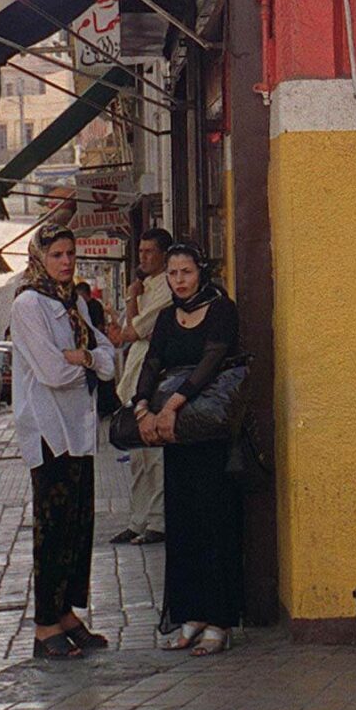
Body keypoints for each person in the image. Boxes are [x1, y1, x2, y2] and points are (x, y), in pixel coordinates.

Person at [11, 226, 119, 659]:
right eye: (56, 254)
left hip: (79, 427)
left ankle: (66, 613)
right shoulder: (28, 304)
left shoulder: (72, 301)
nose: (66, 261)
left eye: (70, 253)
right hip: (47, 429)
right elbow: (51, 373)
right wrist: (85, 364)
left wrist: (87, 359)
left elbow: (109, 358)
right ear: (40, 257)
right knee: (52, 528)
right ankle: (44, 625)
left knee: (78, 525)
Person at [137, 244, 246, 655]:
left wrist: (172, 406)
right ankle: (191, 614)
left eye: (186, 271)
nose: (179, 280)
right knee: (183, 523)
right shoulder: (166, 317)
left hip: (210, 434)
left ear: (200, 272)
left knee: (216, 519)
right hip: (176, 436)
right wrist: (143, 407)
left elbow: (210, 363)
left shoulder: (221, 310)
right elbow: (152, 362)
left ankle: (219, 620)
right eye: (173, 273)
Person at [106, 228, 175, 546]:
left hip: (154, 380)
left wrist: (132, 297)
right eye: (141, 251)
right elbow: (123, 333)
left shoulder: (164, 289)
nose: (144, 257)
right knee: (138, 458)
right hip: (134, 379)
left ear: (164, 254)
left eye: (150, 251)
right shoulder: (145, 285)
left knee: (155, 457)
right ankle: (138, 519)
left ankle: (158, 521)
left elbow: (132, 331)